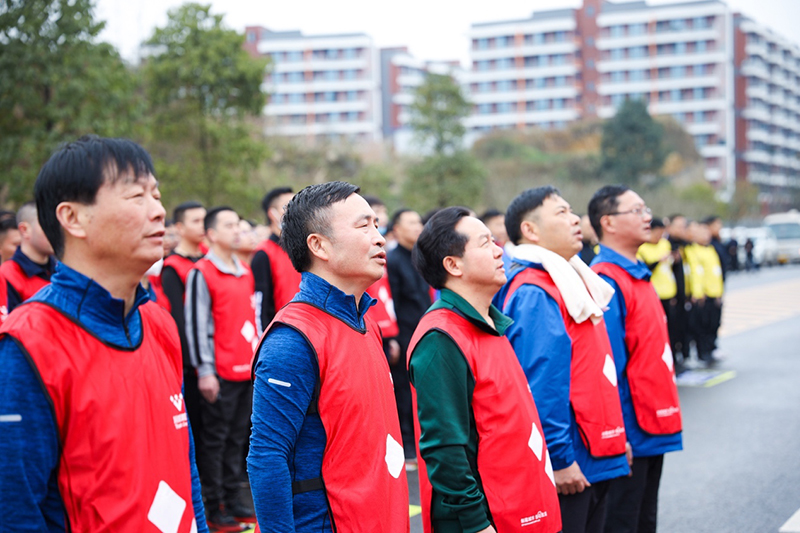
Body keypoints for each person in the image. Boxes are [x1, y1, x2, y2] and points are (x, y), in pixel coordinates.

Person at [0, 136, 207, 532]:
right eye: (136, 196)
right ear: (73, 218)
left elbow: (186, 465)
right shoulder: (29, 344)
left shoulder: (159, 324)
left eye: (157, 195)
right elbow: (16, 509)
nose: (159, 211)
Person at [248, 181, 409, 532]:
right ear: (318, 245)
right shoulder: (293, 339)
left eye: (377, 226)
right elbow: (266, 458)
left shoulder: (366, 320)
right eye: (363, 225)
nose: (379, 238)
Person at [408, 206, 561, 533]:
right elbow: (444, 447)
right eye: (485, 243)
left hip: (525, 507)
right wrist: (475, 523)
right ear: (453, 264)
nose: (499, 250)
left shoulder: (489, 322)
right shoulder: (441, 337)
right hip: (489, 520)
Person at [496, 188, 629, 533]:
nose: (574, 219)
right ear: (530, 230)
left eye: (572, 211)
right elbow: (543, 385)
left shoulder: (571, 278)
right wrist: (559, 459)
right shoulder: (534, 291)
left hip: (595, 452)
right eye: (561, 212)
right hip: (574, 463)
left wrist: (615, 441)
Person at [588, 185, 683, 533]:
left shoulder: (637, 273)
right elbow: (608, 368)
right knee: (622, 522)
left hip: (652, 423)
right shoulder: (606, 281)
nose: (648, 217)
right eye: (637, 210)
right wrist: (619, 435)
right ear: (608, 222)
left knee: (644, 520)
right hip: (632, 432)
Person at [185, 206, 257, 530]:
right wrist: (205, 370)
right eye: (229, 225)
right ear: (211, 234)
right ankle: (213, 506)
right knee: (215, 440)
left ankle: (234, 498)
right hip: (220, 372)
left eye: (238, 223)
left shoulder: (245, 270)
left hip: (246, 371)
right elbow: (197, 326)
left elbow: (251, 320)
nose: (237, 229)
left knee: (238, 438)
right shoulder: (202, 272)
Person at [387, 207, 430, 466]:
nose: (417, 227)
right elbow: (391, 302)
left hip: (423, 331)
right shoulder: (391, 260)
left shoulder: (419, 257)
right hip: (403, 334)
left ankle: (419, 439)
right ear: (396, 229)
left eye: (419, 222)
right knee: (403, 391)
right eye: (411, 222)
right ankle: (407, 444)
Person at [162, 200, 207, 441]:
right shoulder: (172, 267)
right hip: (193, 362)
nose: (203, 225)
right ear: (179, 227)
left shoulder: (211, 260)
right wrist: (192, 359)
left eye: (205, 219)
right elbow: (179, 318)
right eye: (196, 221)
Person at [252, 187, 301, 332]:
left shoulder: (303, 249)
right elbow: (260, 306)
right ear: (272, 213)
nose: (294, 211)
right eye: (287, 206)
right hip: (282, 333)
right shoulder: (264, 253)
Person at [637, 219, 681, 371]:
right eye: (658, 232)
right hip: (655, 296)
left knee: (673, 329)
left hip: (669, 293)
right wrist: (657, 261)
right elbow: (643, 271)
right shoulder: (641, 249)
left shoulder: (665, 244)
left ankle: (673, 359)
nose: (660, 236)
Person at [0, 201, 56, 312]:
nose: (54, 233)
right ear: (25, 230)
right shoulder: (7, 276)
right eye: (46, 225)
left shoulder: (62, 270)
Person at [685, 222, 724, 364]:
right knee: (702, 325)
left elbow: (716, 273)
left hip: (715, 294)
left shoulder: (711, 249)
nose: (705, 236)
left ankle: (712, 348)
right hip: (703, 296)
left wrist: (718, 292)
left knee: (714, 323)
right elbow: (696, 274)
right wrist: (699, 293)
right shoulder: (692, 251)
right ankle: (703, 351)